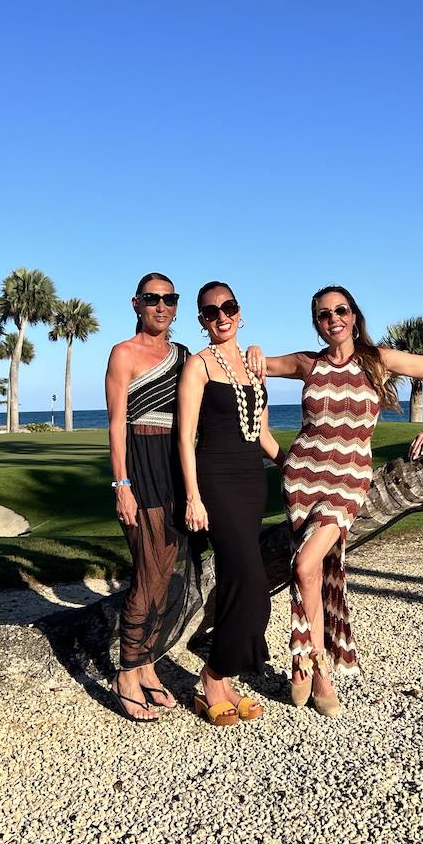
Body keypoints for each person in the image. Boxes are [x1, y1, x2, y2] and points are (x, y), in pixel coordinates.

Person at [256, 285, 423, 717]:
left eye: (340, 310)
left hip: (348, 479)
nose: (333, 319)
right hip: (302, 477)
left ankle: (308, 657)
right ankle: (316, 668)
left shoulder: (377, 360)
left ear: (353, 314)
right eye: (324, 314)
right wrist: (267, 435)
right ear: (317, 323)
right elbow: (254, 369)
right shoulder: (307, 363)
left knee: (306, 565)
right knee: (312, 569)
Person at [177, 281, 284, 727]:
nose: (221, 315)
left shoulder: (255, 365)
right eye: (210, 311)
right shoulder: (198, 366)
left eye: (228, 307)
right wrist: (193, 497)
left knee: (248, 583)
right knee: (251, 582)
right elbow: (184, 436)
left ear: (241, 312)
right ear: (201, 320)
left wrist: (294, 465)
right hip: (215, 480)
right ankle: (214, 673)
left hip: (251, 481)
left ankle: (220, 679)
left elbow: (261, 434)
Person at [104, 272, 195, 721]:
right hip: (140, 464)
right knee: (146, 570)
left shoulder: (183, 357)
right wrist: (121, 485)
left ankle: (147, 664)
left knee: (165, 572)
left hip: (174, 468)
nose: (161, 305)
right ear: (136, 303)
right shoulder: (123, 354)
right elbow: (116, 424)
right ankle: (126, 670)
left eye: (169, 298)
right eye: (152, 298)